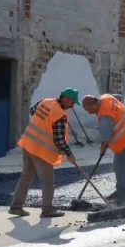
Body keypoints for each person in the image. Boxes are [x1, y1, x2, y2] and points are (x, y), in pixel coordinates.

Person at [9, 88, 81, 218]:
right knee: (48, 181)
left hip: (28, 144)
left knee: (26, 177)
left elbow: (32, 111)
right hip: (41, 151)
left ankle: (16, 206)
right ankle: (47, 210)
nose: (72, 105)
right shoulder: (60, 115)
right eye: (72, 102)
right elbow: (59, 139)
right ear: (65, 99)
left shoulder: (45, 101)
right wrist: (69, 153)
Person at [81, 94, 125, 206]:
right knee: (119, 166)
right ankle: (120, 191)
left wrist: (102, 147)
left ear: (94, 104)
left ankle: (124, 198)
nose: (89, 113)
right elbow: (119, 97)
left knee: (121, 169)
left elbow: (106, 136)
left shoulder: (104, 115)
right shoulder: (106, 97)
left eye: (89, 110)